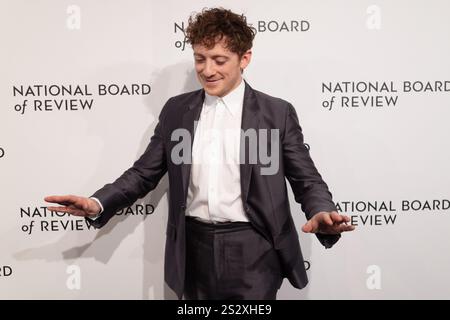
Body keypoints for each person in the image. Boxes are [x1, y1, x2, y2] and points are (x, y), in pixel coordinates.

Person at [45, 7, 355, 300]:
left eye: (219, 60)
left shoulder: (276, 114)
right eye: (200, 59)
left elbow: (307, 180)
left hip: (255, 249)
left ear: (244, 58)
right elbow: (144, 173)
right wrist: (98, 202)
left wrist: (320, 212)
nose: (207, 70)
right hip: (192, 250)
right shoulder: (177, 111)